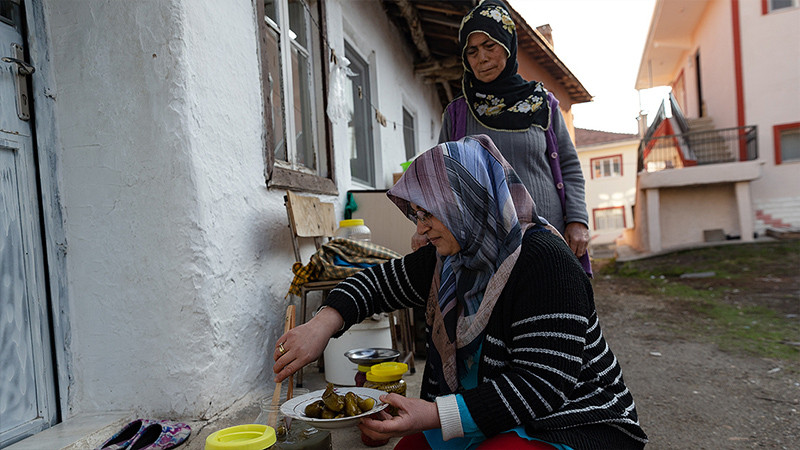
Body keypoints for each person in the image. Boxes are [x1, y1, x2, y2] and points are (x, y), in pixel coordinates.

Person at [274, 135, 647, 449]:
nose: (420, 232)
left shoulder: (545, 262)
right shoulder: (451, 258)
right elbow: (374, 283)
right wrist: (321, 325)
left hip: (573, 417)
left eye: (429, 214)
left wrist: (434, 414)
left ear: (467, 200)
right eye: (416, 215)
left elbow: (541, 385)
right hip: (493, 412)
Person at [417, 0, 591, 275]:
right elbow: (441, 180)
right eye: (472, 51)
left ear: (508, 45)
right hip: (483, 250)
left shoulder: (543, 104)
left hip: (547, 240)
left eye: (490, 45)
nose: (482, 58)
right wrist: (425, 224)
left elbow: (569, 166)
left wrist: (578, 220)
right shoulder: (458, 114)